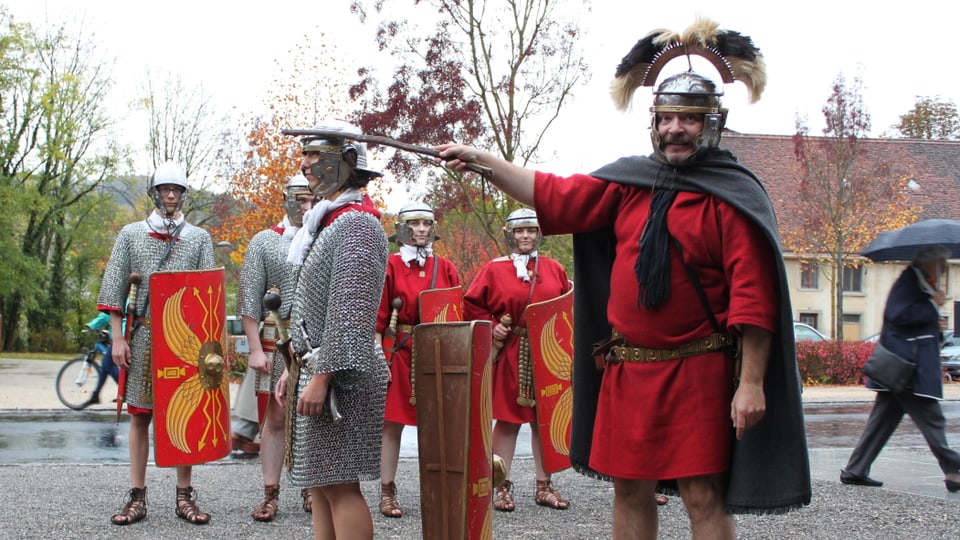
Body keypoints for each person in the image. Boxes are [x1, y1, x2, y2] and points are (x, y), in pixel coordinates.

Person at [438, 18, 809, 539]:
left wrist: (750, 384)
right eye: (666, 118)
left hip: (699, 370)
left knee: (703, 494)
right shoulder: (629, 184)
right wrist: (483, 162)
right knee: (629, 489)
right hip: (628, 369)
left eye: (689, 119)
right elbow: (556, 194)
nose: (675, 128)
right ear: (653, 123)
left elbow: (753, 298)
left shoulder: (731, 195)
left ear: (713, 124)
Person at [277, 120, 389, 540]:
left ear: (344, 164)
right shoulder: (330, 222)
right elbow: (316, 310)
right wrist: (295, 368)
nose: (305, 165)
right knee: (323, 486)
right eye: (304, 156)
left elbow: (350, 312)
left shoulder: (357, 224)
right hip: (320, 368)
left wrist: (321, 376)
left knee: (341, 486)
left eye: (314, 157)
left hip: (343, 375)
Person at [97, 160, 216, 526]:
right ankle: (137, 496)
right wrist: (118, 338)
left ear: (182, 195)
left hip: (184, 341)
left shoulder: (198, 238)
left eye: (176, 190)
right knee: (141, 415)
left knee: (186, 414)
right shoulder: (132, 235)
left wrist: (209, 347)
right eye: (165, 189)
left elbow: (209, 294)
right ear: (154, 192)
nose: (170, 195)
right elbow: (114, 292)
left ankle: (184, 495)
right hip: (145, 334)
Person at [462, 208, 572, 512]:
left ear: (539, 234)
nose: (526, 236)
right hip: (511, 351)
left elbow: (567, 310)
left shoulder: (554, 269)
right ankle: (501, 487)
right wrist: (492, 327)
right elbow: (470, 307)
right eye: (520, 231)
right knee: (508, 421)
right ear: (510, 234)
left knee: (544, 421)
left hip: (549, 354)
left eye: (532, 231)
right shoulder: (494, 270)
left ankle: (544, 486)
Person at [842, 245, 960, 492]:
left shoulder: (921, 284)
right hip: (908, 369)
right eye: (940, 264)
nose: (943, 270)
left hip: (904, 368)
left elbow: (917, 326)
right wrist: (931, 307)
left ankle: (856, 469)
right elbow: (897, 314)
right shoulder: (910, 281)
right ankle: (954, 470)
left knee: (882, 421)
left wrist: (933, 320)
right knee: (932, 419)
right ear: (927, 262)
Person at [236, 173, 316, 521]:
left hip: (315, 339)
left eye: (312, 199)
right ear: (287, 199)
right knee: (275, 416)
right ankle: (271, 492)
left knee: (315, 415)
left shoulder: (325, 238)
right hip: (274, 338)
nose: (306, 206)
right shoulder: (265, 241)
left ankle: (313, 489)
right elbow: (249, 300)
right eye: (300, 199)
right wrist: (255, 349)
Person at [375, 201, 461, 518]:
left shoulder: (446, 267)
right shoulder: (390, 266)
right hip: (399, 352)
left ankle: (438, 489)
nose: (421, 229)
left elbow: (456, 314)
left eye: (426, 224)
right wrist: (379, 358)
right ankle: (387, 491)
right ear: (403, 229)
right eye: (414, 224)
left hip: (437, 351)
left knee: (437, 426)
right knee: (392, 425)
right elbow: (380, 318)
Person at [82, 311, 120, 407]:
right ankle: (96, 395)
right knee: (105, 366)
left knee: (107, 364)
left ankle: (125, 392)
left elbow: (106, 315)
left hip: (120, 338)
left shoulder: (116, 299)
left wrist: (92, 325)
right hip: (120, 336)